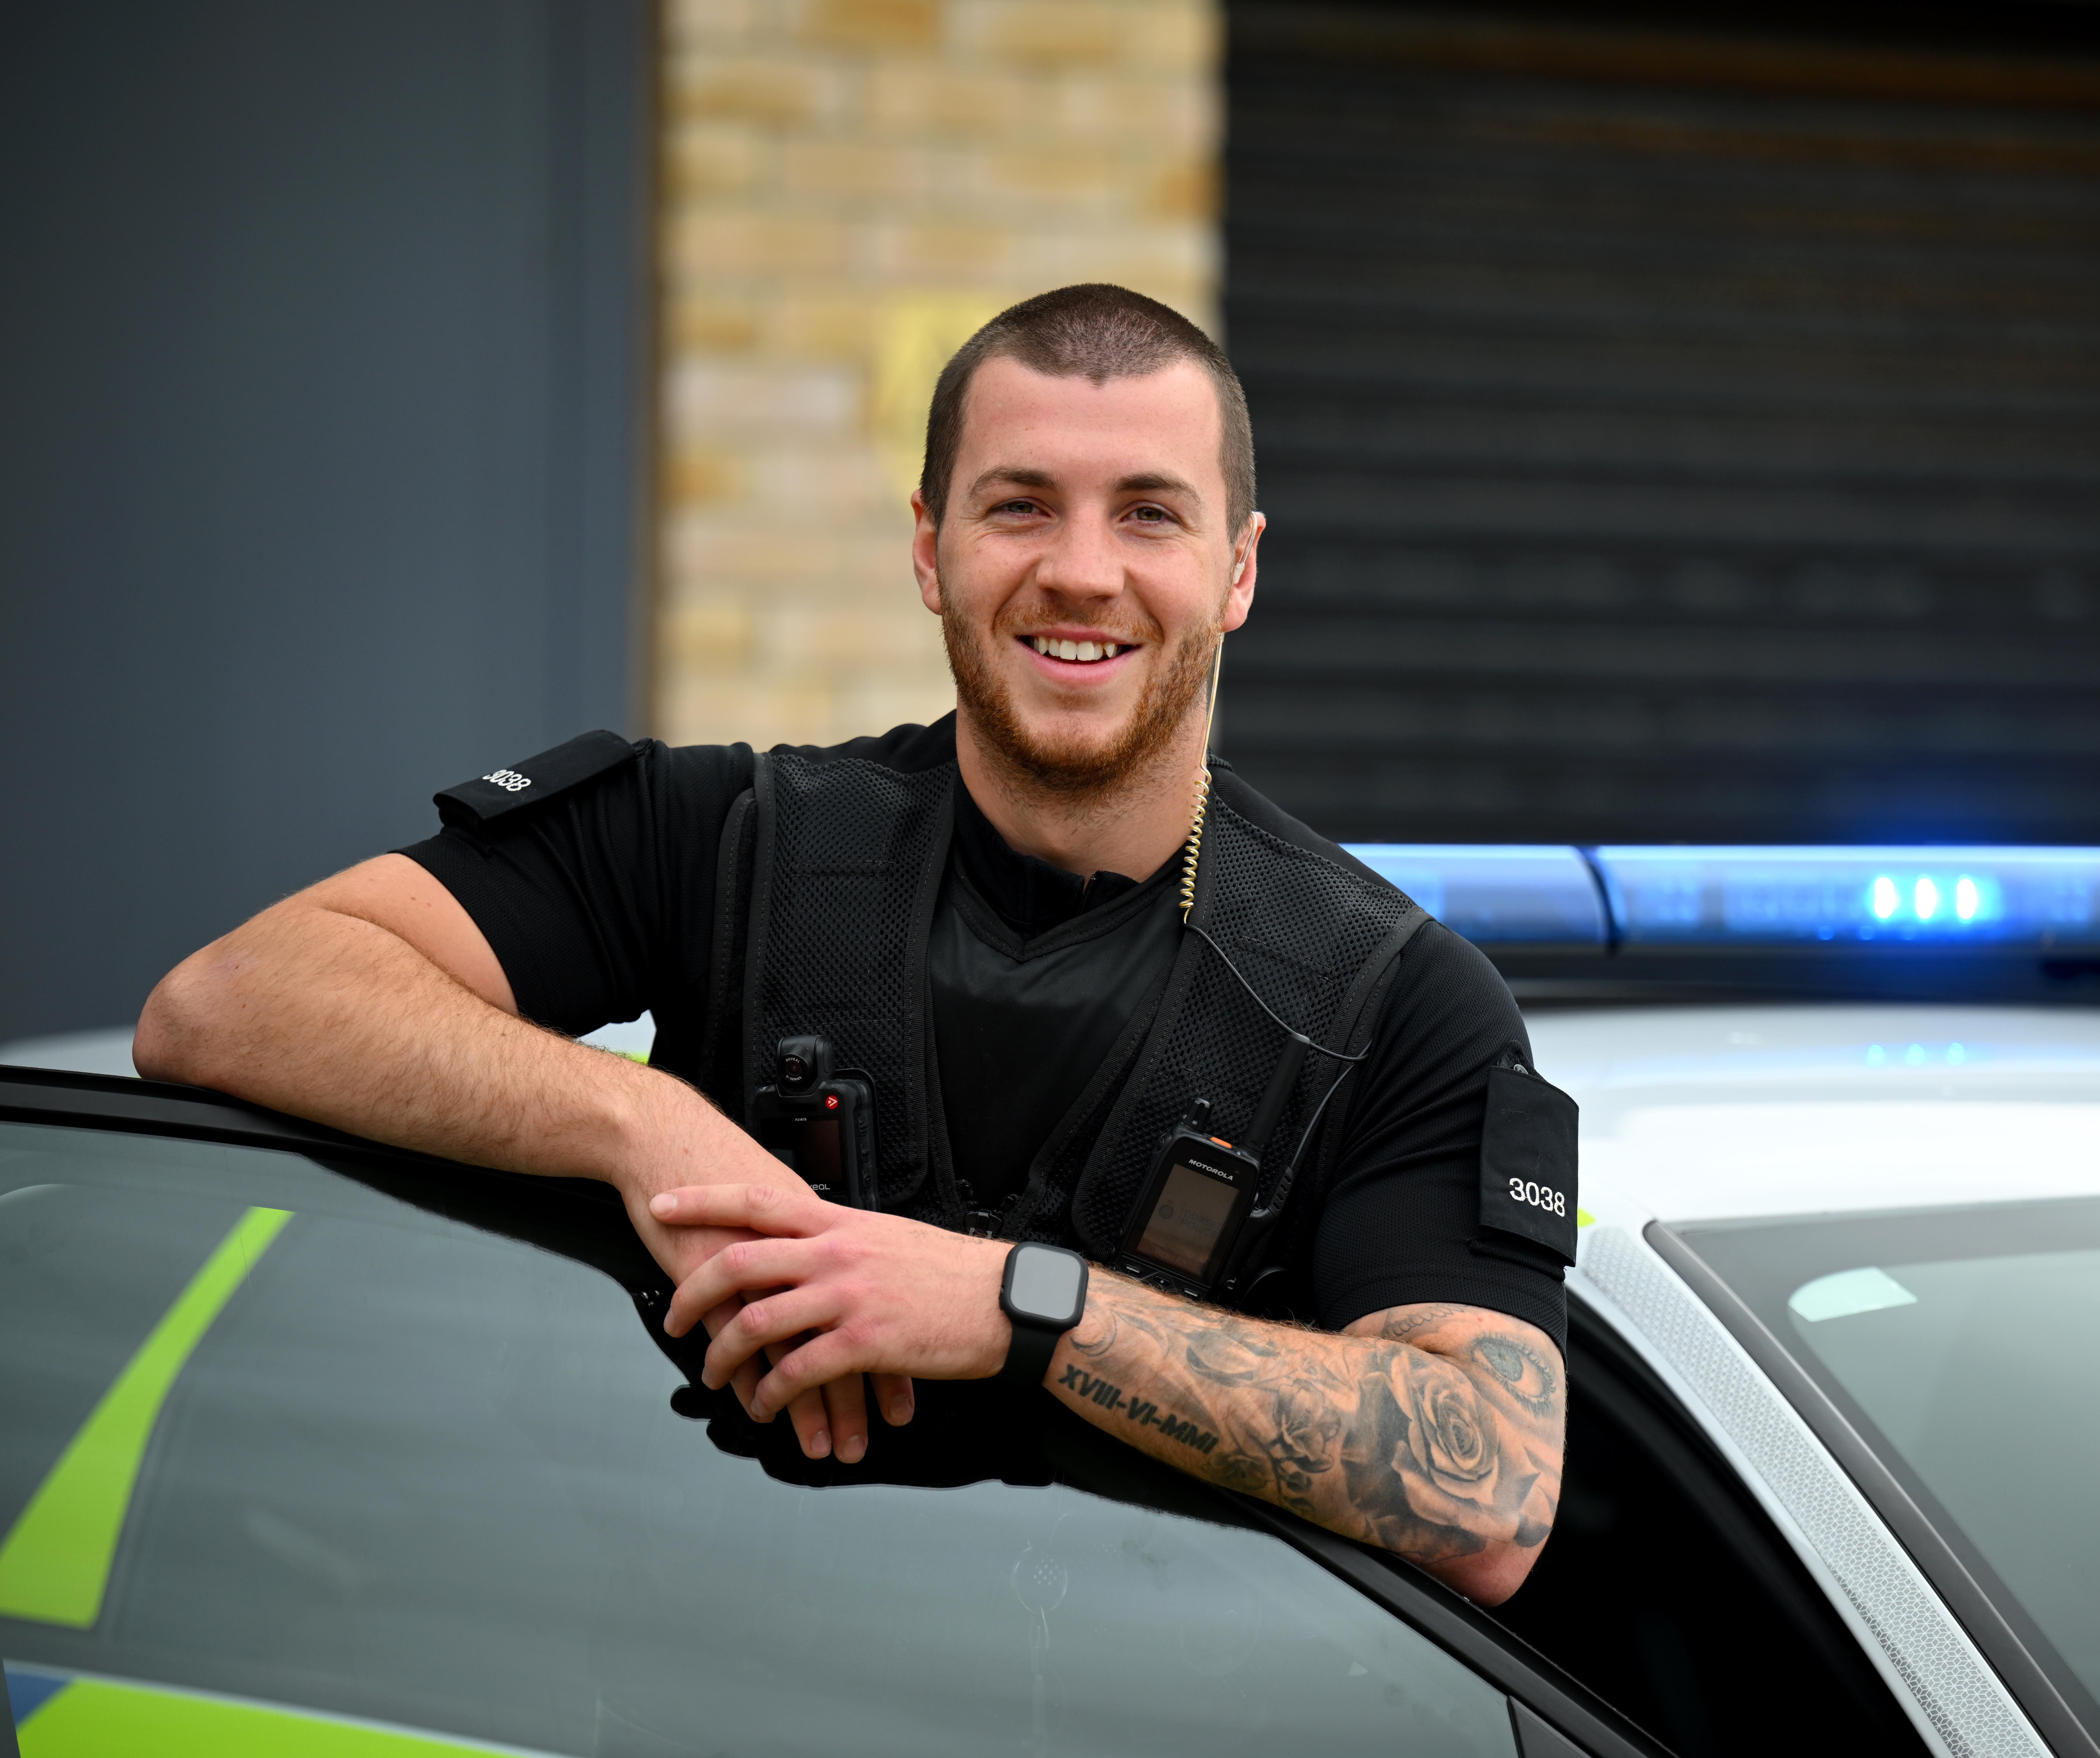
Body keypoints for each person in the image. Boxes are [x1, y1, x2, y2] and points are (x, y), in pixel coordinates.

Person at [136, 285, 1574, 1606]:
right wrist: (646, 1122)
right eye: (1020, 506)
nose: (1083, 571)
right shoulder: (714, 837)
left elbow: (1495, 1491)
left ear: (1239, 568)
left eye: (1150, 513)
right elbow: (228, 1000)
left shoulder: (1401, 1004)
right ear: (930, 549)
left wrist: (1019, 1306)